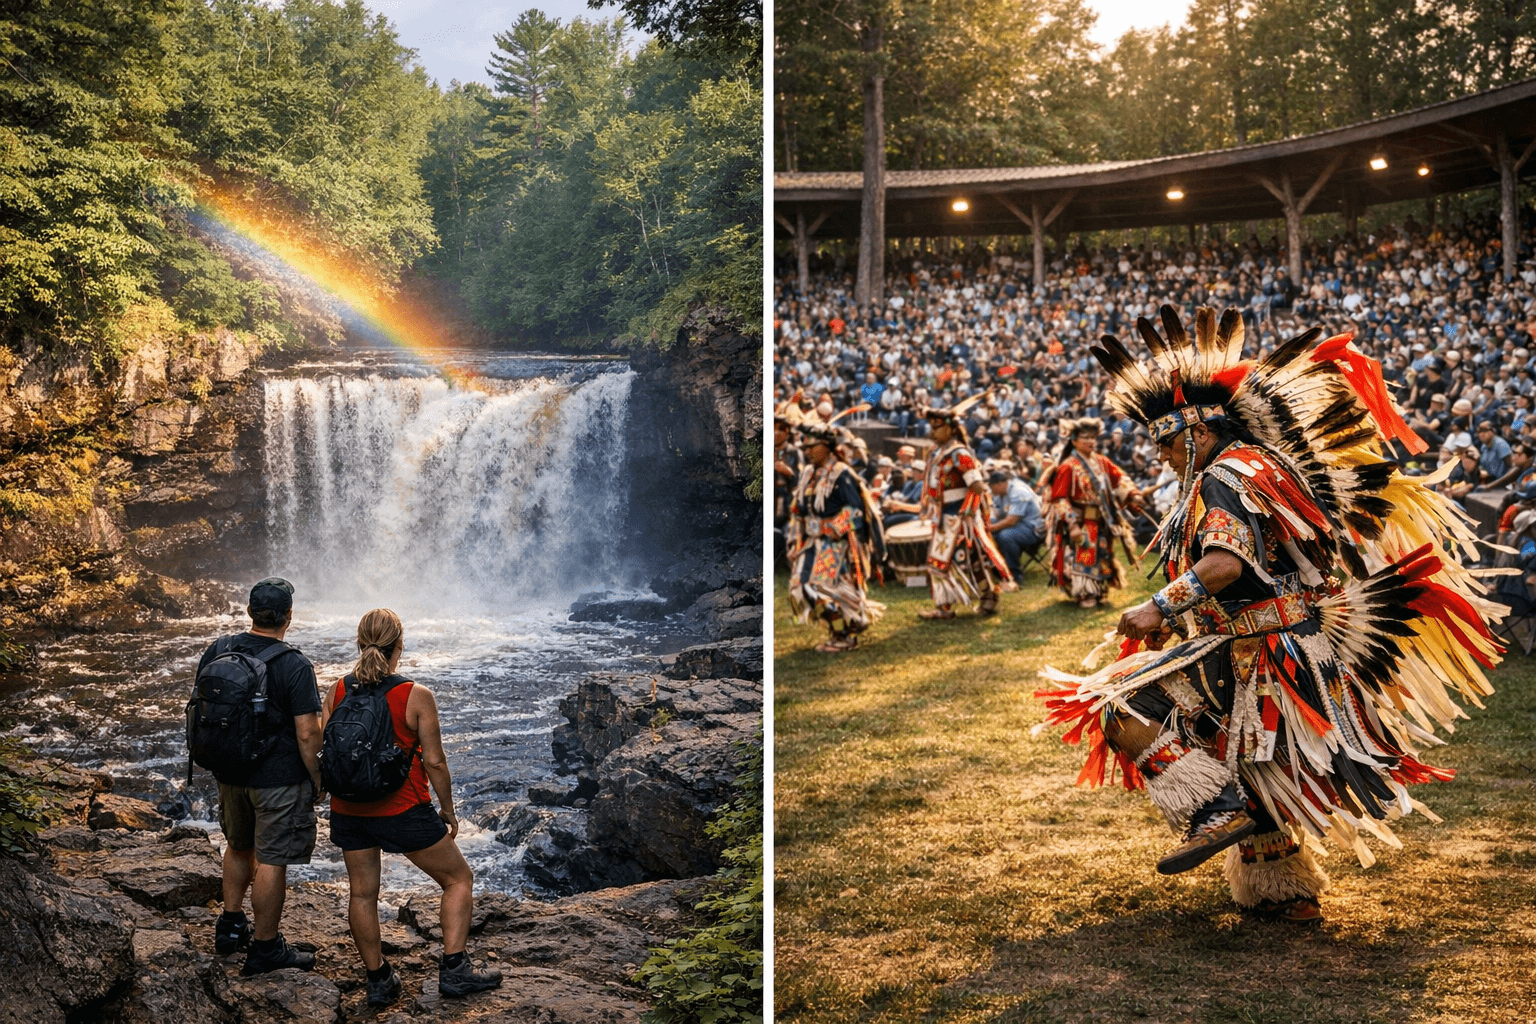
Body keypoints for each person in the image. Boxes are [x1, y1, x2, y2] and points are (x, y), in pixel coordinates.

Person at [1038, 305, 1498, 925]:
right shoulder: (1261, 465)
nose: (1164, 458)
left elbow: (1226, 564)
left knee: (1118, 706)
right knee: (1248, 757)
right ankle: (1284, 890)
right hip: (1287, 637)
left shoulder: (1223, 477)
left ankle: (1215, 813)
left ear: (1198, 432)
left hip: (1264, 643)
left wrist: (1157, 606)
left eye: (1166, 443)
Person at [323, 609, 503, 1007]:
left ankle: (378, 980)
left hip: (349, 810)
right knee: (458, 879)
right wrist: (448, 810)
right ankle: (455, 970)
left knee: (362, 894)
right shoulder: (415, 695)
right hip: (402, 810)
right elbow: (435, 762)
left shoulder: (337, 690)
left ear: (359, 643)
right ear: (399, 646)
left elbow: (327, 750)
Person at [199, 577, 323, 974]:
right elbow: (308, 733)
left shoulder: (219, 649)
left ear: (250, 612)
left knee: (238, 846)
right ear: (289, 616)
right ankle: (266, 947)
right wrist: (318, 778)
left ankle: (231, 924)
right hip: (277, 781)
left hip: (229, 772)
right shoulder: (294, 664)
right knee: (272, 859)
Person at [786, 424, 886, 652]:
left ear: (827, 446)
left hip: (834, 544)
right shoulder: (808, 473)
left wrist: (833, 527)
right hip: (811, 542)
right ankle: (841, 630)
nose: (808, 451)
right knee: (800, 588)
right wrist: (795, 539)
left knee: (822, 589)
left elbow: (856, 509)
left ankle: (845, 634)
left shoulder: (842, 473)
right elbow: (798, 510)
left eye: (813, 446)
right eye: (806, 447)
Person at [918, 403, 1013, 618]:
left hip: (959, 516)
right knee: (940, 562)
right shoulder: (937, 453)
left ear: (950, 428)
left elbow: (977, 485)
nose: (932, 432)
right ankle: (944, 607)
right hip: (942, 515)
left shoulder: (959, 453)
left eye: (937, 427)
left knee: (968, 559)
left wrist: (969, 511)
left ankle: (988, 596)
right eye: (931, 427)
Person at [1043, 418, 1131, 608]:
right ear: (1074, 441)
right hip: (1081, 520)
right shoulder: (1068, 466)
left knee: (1101, 554)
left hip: (1101, 519)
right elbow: (1059, 498)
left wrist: (1133, 494)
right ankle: (1084, 592)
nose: (1091, 441)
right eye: (1086, 437)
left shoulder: (1102, 462)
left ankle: (1098, 590)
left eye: (1093, 437)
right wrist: (1072, 525)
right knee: (1084, 556)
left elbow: (1119, 479)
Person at [987, 470, 1044, 581]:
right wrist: (988, 525)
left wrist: (991, 528)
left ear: (999, 484)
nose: (991, 491)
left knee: (1005, 535)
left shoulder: (1018, 491)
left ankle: (1014, 573)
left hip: (1032, 528)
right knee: (992, 533)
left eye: (992, 487)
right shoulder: (1000, 494)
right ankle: (999, 566)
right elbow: (997, 515)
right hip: (1018, 526)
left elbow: (1012, 520)